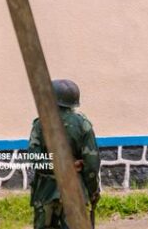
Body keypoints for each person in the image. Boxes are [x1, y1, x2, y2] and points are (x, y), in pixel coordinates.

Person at [28, 79, 100, 229]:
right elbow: (92, 165)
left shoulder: (40, 124)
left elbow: (34, 159)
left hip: (45, 195)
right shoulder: (83, 125)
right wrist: (93, 191)